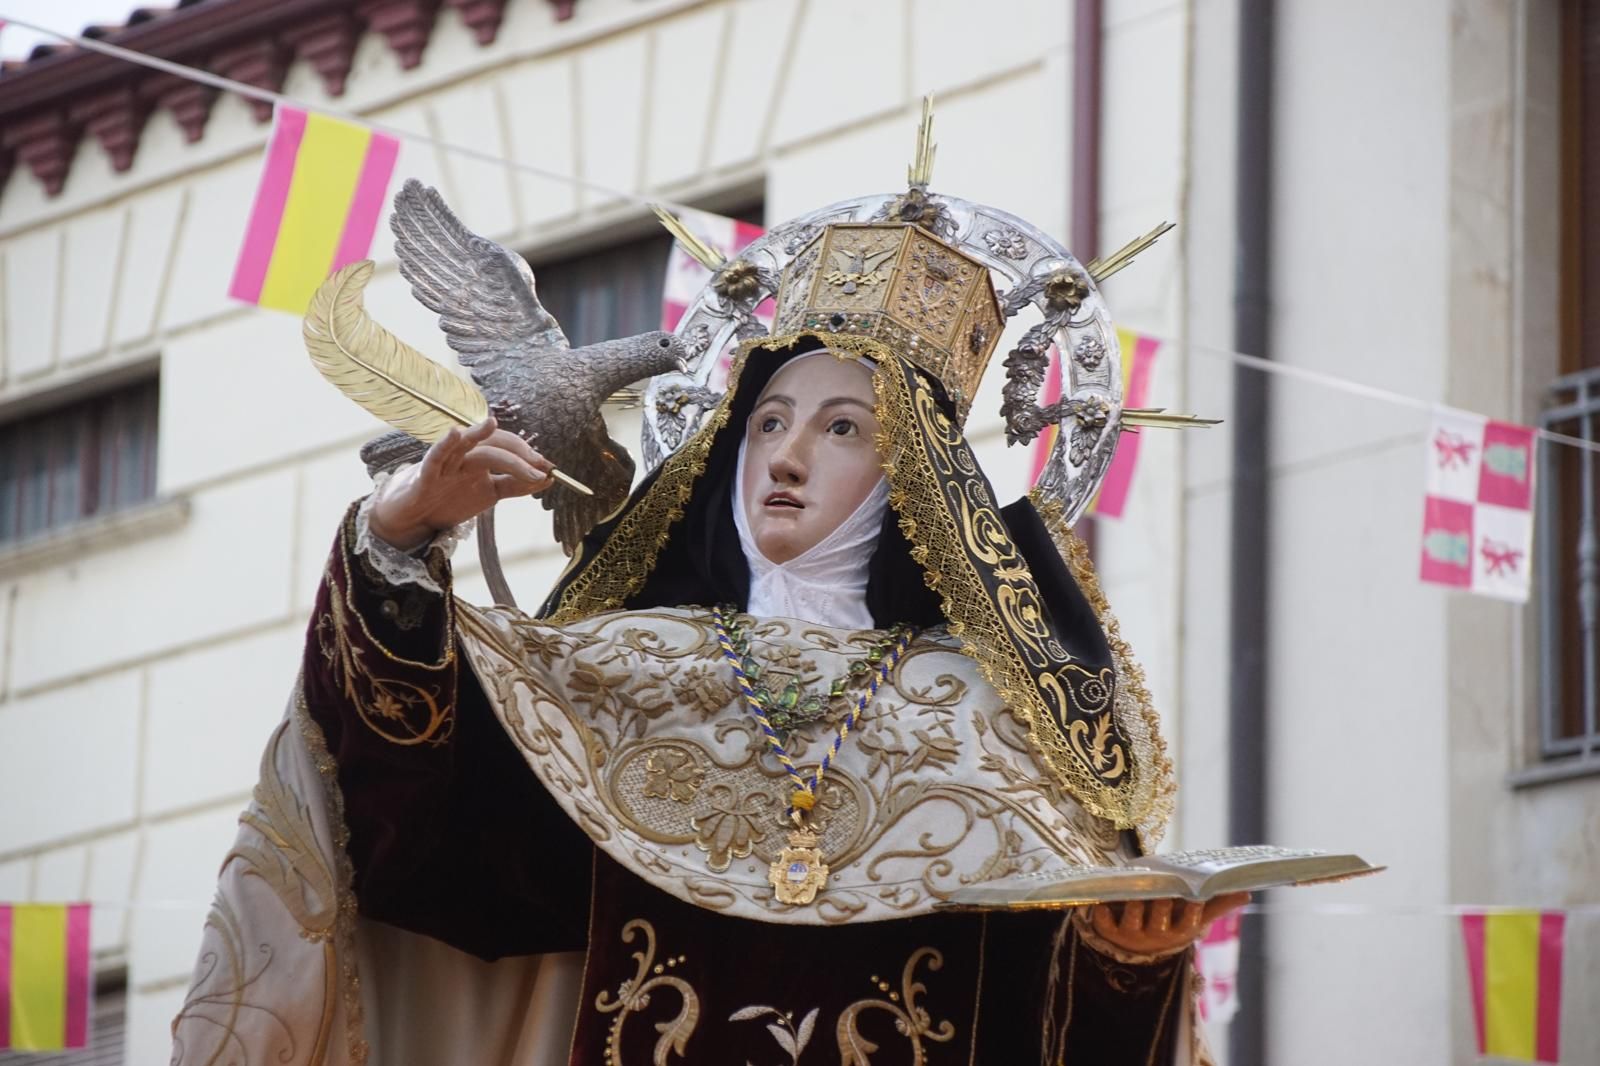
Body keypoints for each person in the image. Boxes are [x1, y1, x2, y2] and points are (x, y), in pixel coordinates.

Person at [172, 163, 1241, 1066]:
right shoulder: (618, 673)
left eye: (841, 429)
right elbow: (416, 835)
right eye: (767, 419)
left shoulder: (994, 722)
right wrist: (400, 540)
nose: (782, 454)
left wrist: (1128, 962)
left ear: (912, 478)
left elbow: (1049, 1020)